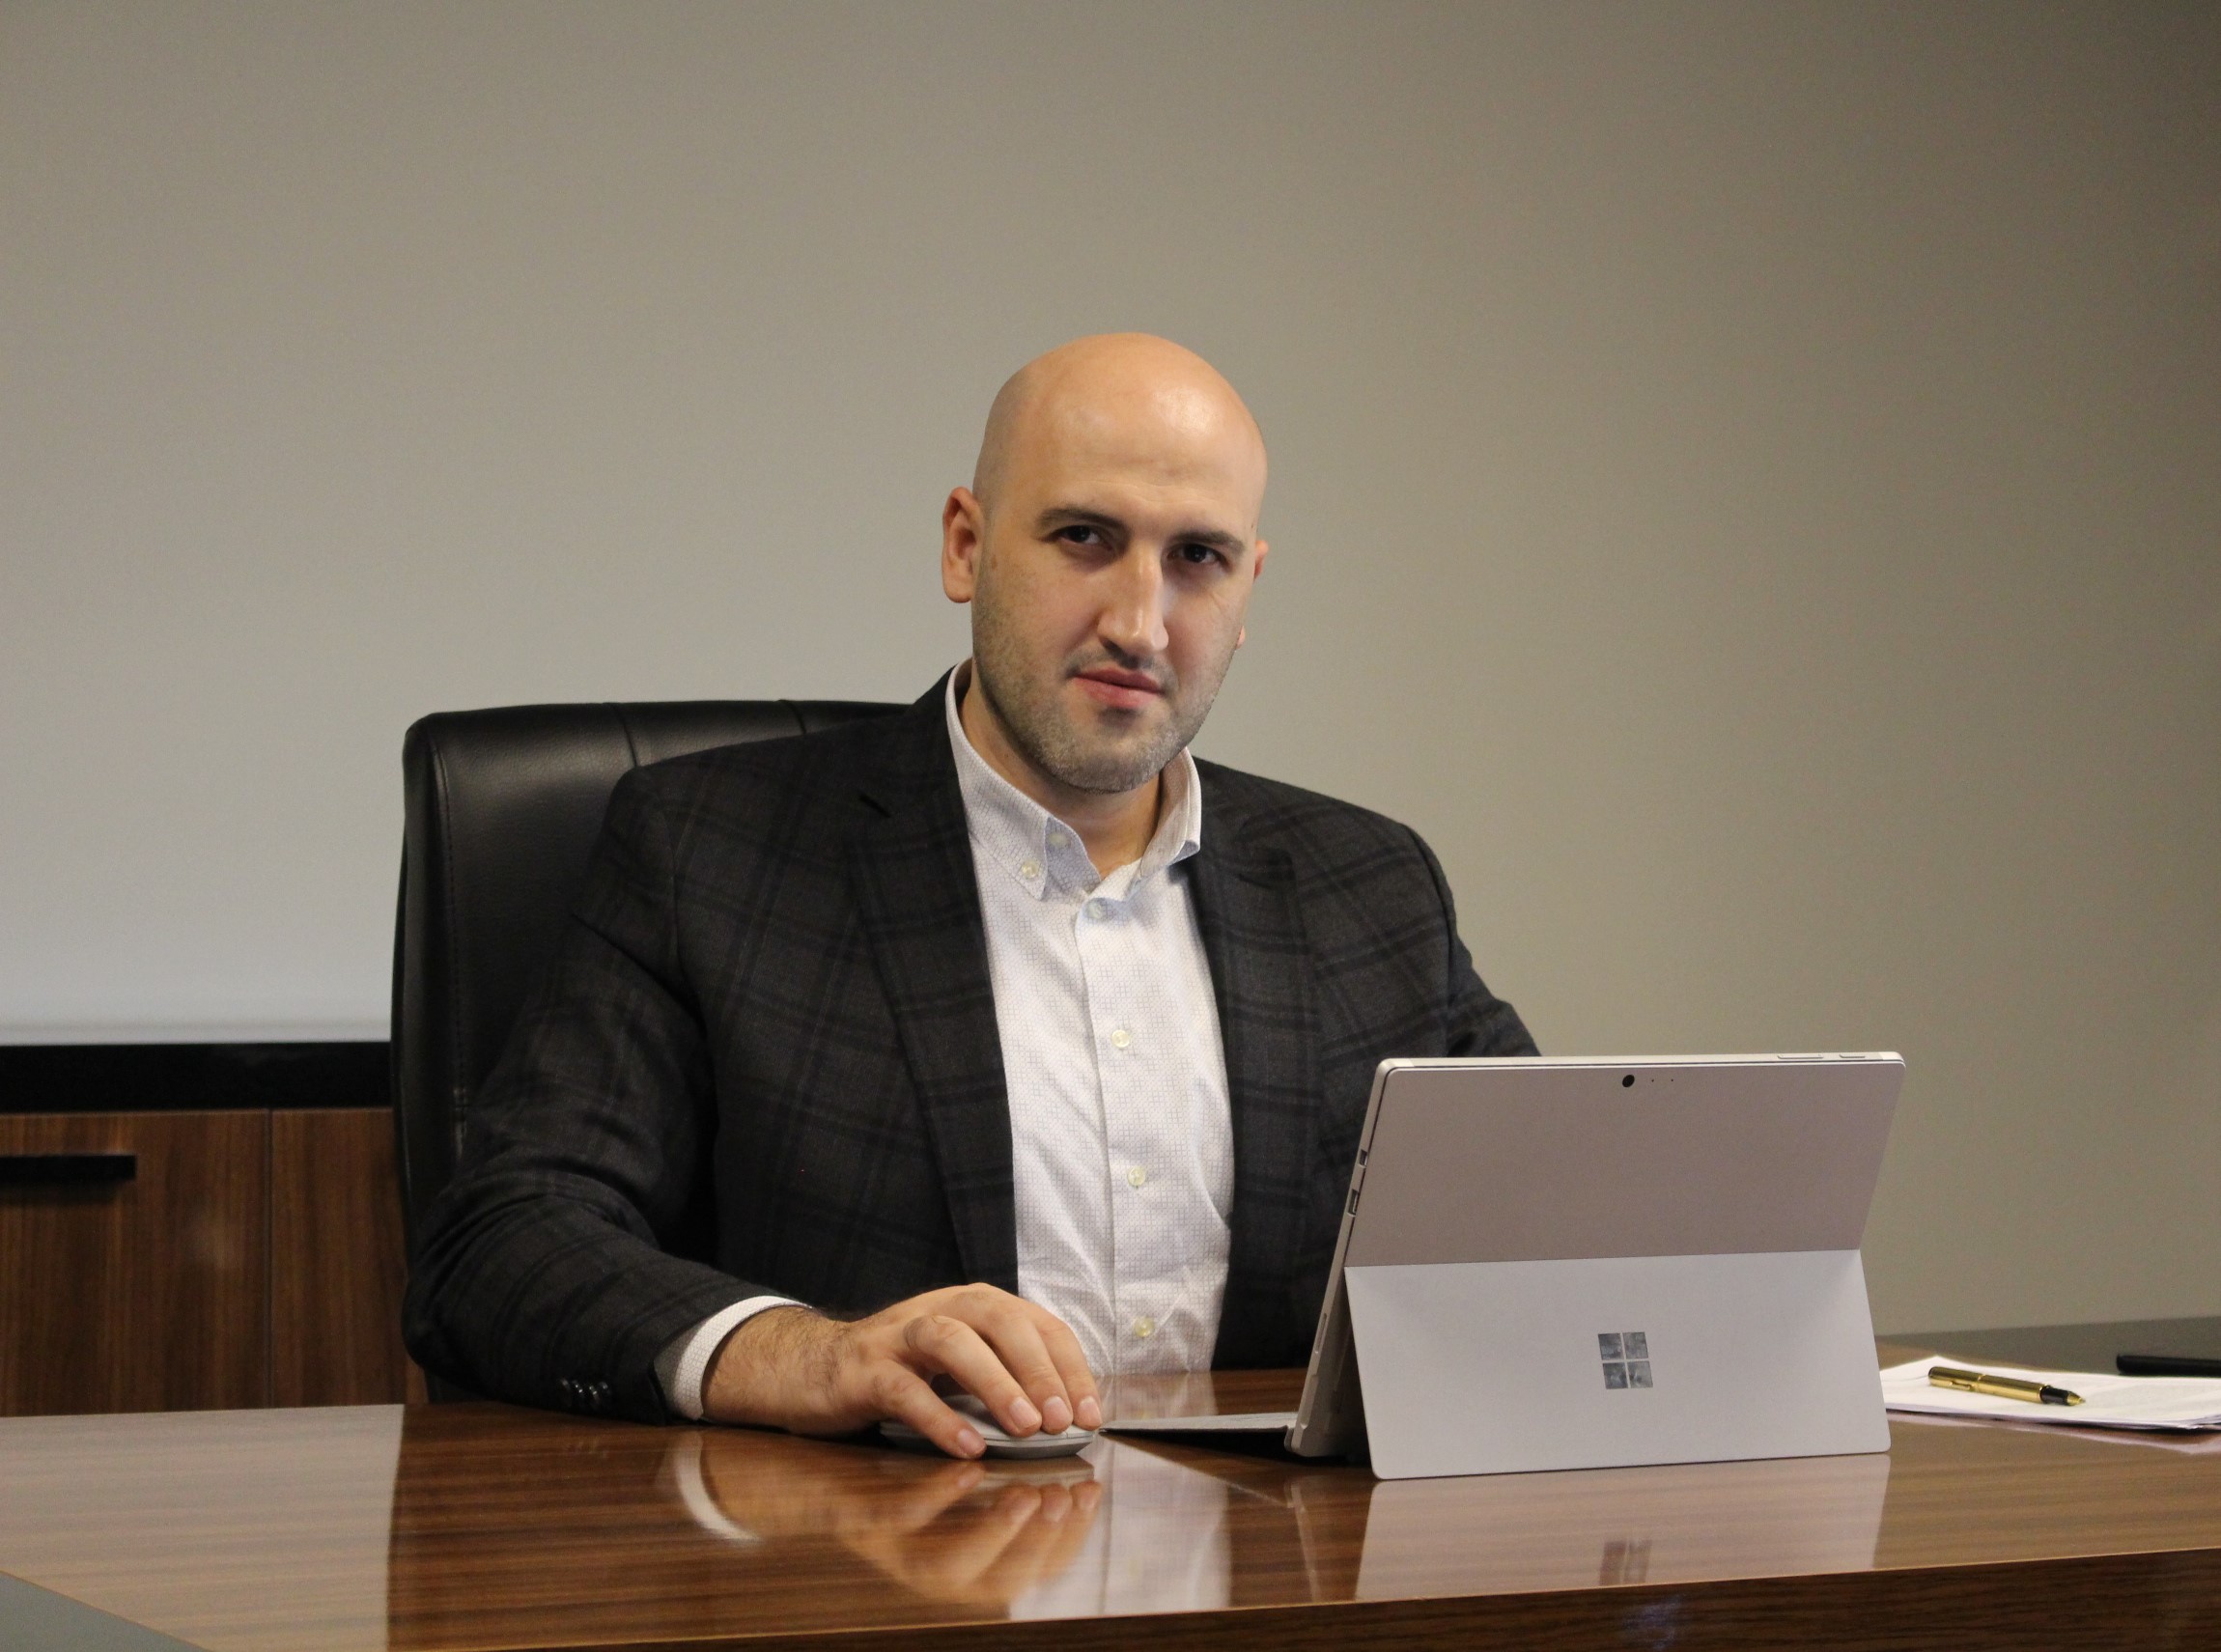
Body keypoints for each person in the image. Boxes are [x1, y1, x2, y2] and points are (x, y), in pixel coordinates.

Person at [404, 334, 1534, 1458]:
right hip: (870, 1548)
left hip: (1269, 1554)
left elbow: (1564, 1213)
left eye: (1198, 557)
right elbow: (497, 1243)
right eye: (1084, 537)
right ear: (965, 545)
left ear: (1246, 593)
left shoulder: (1368, 887)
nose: (1139, 623)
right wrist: (803, 1353)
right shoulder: (702, 850)